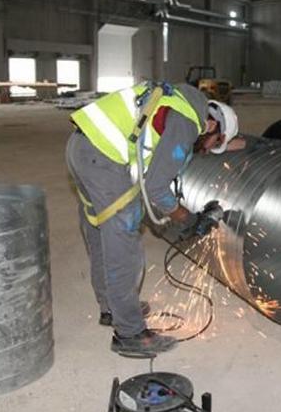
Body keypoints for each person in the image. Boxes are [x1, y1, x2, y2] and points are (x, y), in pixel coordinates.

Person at [65, 81, 242, 356]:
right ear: (212, 125)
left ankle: (112, 309)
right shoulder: (186, 122)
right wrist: (188, 219)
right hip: (103, 159)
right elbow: (155, 189)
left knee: (101, 233)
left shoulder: (177, 101)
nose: (206, 149)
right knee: (125, 246)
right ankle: (129, 333)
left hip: (82, 147)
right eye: (214, 143)